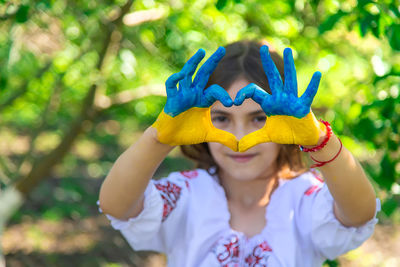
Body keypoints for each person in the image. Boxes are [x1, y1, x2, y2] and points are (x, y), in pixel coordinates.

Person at [98, 40, 380, 266]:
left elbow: (360, 215)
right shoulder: (185, 194)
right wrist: (159, 138)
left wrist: (320, 140)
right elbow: (117, 207)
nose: (240, 138)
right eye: (221, 119)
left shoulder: (305, 198)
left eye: (259, 118)